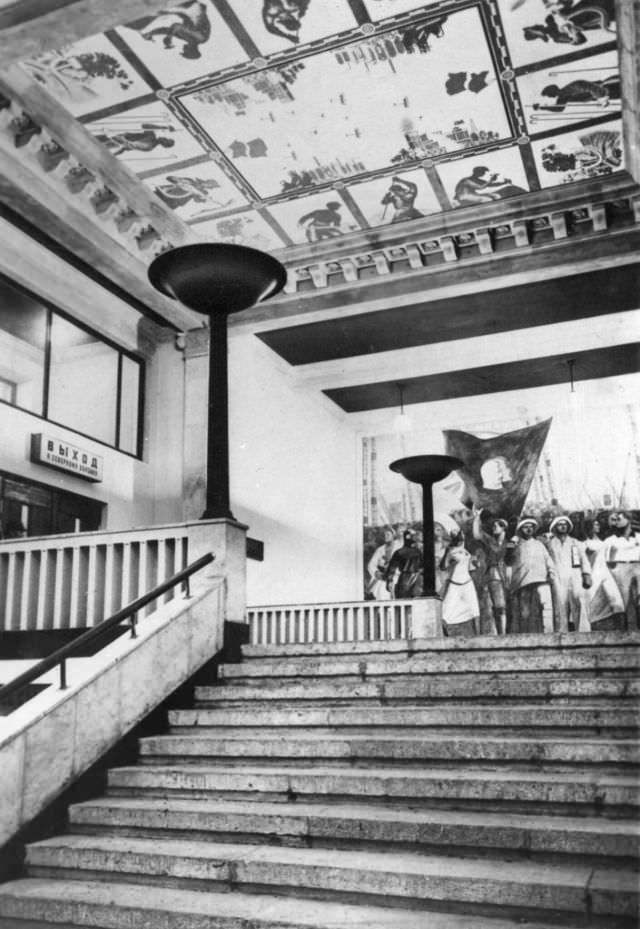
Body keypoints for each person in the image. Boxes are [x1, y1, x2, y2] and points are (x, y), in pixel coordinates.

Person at [506, 517, 556, 634]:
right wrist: (511, 544)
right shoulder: (515, 544)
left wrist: (551, 573)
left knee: (546, 607)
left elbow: (548, 560)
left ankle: (549, 635)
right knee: (525, 612)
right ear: (520, 529)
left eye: (531, 527)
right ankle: (526, 637)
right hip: (523, 582)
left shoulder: (539, 544)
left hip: (541, 579)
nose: (528, 529)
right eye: (525, 527)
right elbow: (507, 560)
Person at [544, 516, 592, 632]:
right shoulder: (549, 544)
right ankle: (561, 634)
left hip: (574, 575)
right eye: (560, 524)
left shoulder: (575, 542)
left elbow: (583, 559)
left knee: (579, 601)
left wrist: (586, 574)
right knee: (560, 606)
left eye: (565, 524)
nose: (563, 526)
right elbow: (546, 561)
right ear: (555, 527)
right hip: (558, 577)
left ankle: (583, 632)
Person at [582, 517, 625, 630]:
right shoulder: (584, 544)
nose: (598, 526)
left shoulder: (604, 542)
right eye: (595, 524)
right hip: (594, 573)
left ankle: (620, 628)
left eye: (598, 524)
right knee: (592, 600)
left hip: (605, 572)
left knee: (615, 598)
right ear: (589, 527)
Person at [472, 507, 509, 634]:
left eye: (497, 525)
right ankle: (501, 634)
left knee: (508, 606)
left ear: (504, 527)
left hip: (509, 575)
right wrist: (477, 517)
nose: (494, 527)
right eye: (493, 525)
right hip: (494, 574)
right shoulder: (489, 540)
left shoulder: (510, 543)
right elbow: (477, 535)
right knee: (499, 606)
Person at [604, 511, 640, 631]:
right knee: (622, 601)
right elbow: (607, 559)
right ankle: (624, 633)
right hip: (620, 568)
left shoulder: (638, 537)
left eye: (619, 519)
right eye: (614, 520)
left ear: (628, 520)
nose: (616, 522)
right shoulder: (611, 540)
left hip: (638, 567)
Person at [439, 530, 480, 636]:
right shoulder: (451, 551)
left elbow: (470, 566)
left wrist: (475, 563)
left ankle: (478, 635)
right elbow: (443, 566)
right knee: (446, 610)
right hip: (455, 583)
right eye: (459, 539)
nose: (461, 541)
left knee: (474, 609)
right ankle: (444, 634)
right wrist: (448, 555)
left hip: (467, 582)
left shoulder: (465, 550)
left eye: (462, 539)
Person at [385, 529, 423, 599]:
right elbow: (391, 569)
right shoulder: (417, 552)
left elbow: (391, 569)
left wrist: (389, 581)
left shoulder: (417, 552)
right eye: (412, 536)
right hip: (407, 580)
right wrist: (389, 581)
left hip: (411, 580)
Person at [366, 527, 399, 601]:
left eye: (388, 534)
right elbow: (371, 564)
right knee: (381, 592)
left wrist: (393, 570)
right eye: (384, 535)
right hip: (383, 577)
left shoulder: (398, 548)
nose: (385, 537)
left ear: (393, 536)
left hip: (396, 577)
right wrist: (376, 572)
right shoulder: (380, 549)